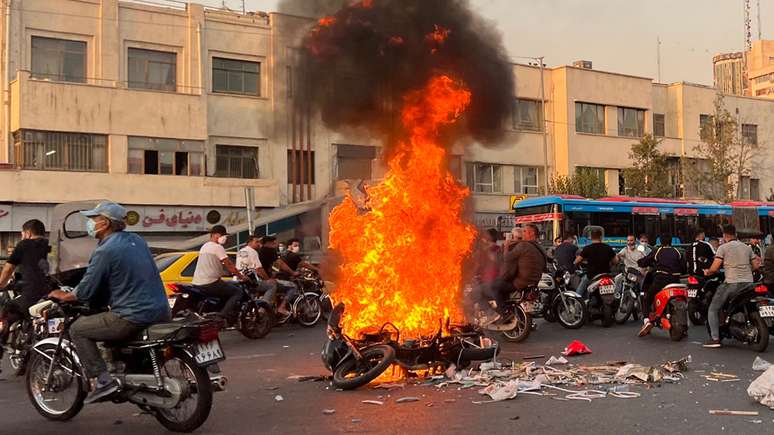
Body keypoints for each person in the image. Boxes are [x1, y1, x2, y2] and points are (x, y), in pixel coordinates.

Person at [47, 201, 169, 403]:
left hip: (132, 315)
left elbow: (85, 291)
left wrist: (64, 295)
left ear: (104, 223)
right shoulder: (137, 240)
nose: (90, 224)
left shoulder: (106, 250)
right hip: (161, 310)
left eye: (93, 219)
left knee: (78, 329)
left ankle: (103, 381)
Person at [0, 219, 50, 370]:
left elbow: (8, 269)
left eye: (22, 234)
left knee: (5, 313)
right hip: (50, 292)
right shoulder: (49, 245)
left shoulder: (24, 244)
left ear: (27, 233)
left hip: (31, 294)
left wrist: (0, 284)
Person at [703, 224, 759, 348]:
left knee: (713, 308)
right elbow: (756, 266)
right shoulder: (747, 248)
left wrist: (708, 272)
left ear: (724, 235)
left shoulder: (723, 248)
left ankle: (715, 338)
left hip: (732, 284)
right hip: (749, 283)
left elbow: (715, 267)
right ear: (736, 234)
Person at [478, 224, 546, 325]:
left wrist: (506, 246)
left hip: (521, 282)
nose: (522, 234)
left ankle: (501, 313)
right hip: (533, 282)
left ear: (531, 233)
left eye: (524, 232)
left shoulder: (524, 245)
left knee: (489, 287)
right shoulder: (539, 247)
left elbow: (508, 258)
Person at [192, 225, 245, 323]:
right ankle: (222, 316)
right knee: (237, 292)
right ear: (215, 235)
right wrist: (241, 276)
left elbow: (211, 264)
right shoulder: (218, 247)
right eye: (223, 235)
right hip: (210, 283)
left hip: (197, 282)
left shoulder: (205, 246)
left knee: (225, 287)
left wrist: (223, 272)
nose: (225, 237)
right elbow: (229, 264)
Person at [637, 232, 684, 336]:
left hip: (661, 279)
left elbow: (644, 261)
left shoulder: (657, 251)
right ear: (671, 241)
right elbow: (684, 267)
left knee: (647, 298)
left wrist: (640, 262)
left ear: (660, 242)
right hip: (676, 280)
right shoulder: (677, 251)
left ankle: (646, 321)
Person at [259, 236, 299, 316]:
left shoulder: (258, 250)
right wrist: (293, 273)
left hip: (256, 279)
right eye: (274, 243)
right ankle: (282, 307)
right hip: (264, 280)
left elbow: (265, 265)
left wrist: (273, 273)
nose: (276, 244)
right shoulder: (270, 250)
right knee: (293, 286)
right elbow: (280, 263)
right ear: (268, 243)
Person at [574, 228, 617, 297]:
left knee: (581, 286)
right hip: (606, 274)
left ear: (591, 238)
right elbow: (616, 261)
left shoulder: (587, 248)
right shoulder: (608, 247)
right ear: (601, 237)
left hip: (592, 276)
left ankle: (576, 302)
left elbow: (576, 261)